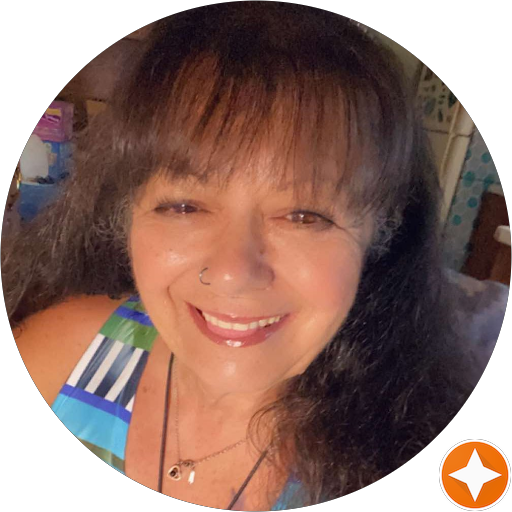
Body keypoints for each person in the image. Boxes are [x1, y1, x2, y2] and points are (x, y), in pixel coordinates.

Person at [4, 4, 480, 509]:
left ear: (382, 234)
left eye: (303, 216)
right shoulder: (58, 358)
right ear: (124, 215)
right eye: (184, 206)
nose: (233, 272)